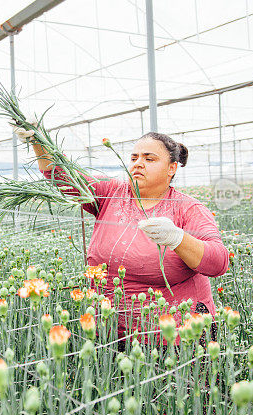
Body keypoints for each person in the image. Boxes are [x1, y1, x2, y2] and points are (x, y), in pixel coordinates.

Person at [16, 126, 229, 341]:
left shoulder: (188, 208)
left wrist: (177, 238)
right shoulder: (110, 193)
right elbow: (63, 176)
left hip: (177, 336)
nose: (138, 163)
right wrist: (37, 140)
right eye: (134, 157)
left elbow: (218, 262)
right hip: (111, 333)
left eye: (150, 159)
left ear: (172, 168)